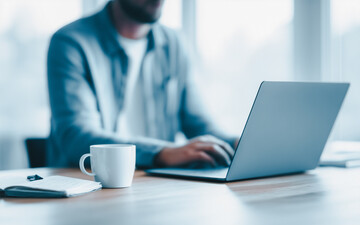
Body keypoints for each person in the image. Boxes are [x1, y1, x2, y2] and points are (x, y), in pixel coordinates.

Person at [47, 0, 238, 169]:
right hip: (88, 186)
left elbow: (199, 124)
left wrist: (239, 145)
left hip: (155, 185)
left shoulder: (175, 44)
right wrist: (162, 152)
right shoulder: (71, 42)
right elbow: (76, 136)